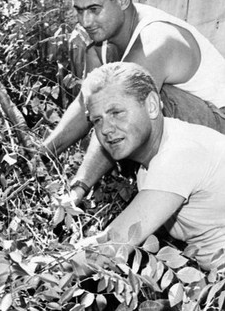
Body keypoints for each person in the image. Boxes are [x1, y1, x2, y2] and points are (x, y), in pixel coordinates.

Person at [41, 0, 225, 204]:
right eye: (79, 10)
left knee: (137, 98)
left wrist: (78, 188)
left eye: (94, 9)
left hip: (218, 134)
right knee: (105, 105)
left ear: (123, 0)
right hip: (191, 137)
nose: (85, 22)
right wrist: (42, 154)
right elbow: (86, 102)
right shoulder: (103, 43)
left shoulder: (154, 40)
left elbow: (117, 109)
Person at [77, 62, 225, 270]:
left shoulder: (179, 154)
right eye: (97, 120)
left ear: (152, 105)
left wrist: (38, 269)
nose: (106, 129)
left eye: (116, 112)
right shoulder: (150, 166)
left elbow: (112, 245)